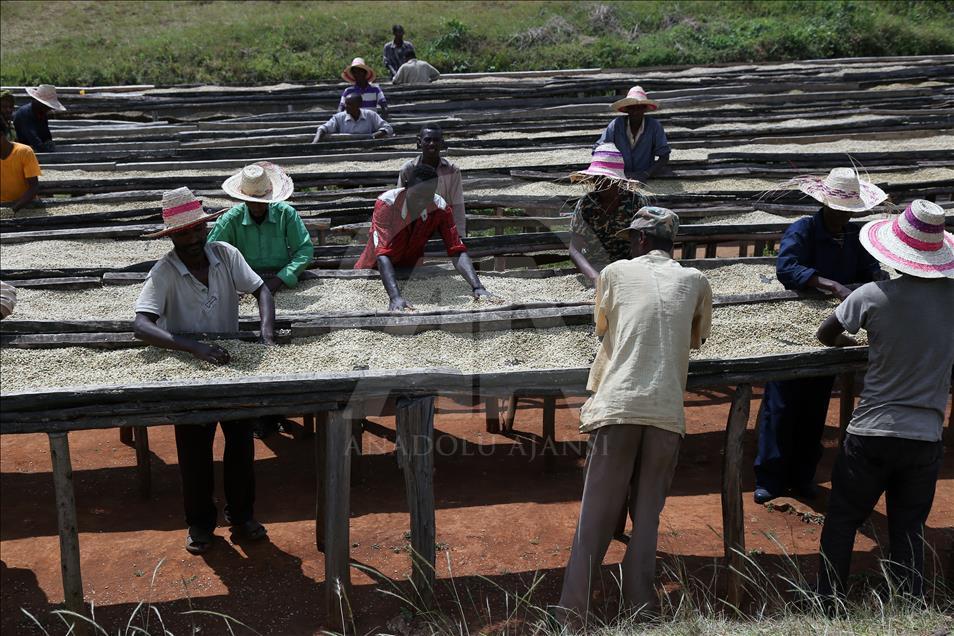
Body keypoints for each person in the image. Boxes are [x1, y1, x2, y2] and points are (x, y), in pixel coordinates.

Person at [558, 207, 712, 625]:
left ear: (641, 241)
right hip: (665, 412)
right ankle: (640, 612)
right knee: (647, 520)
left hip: (618, 404)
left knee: (595, 519)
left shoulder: (614, 274)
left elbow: (604, 326)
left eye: (631, 239)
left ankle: (572, 617)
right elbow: (697, 338)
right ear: (671, 243)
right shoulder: (697, 281)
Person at [814, 199, 954, 602]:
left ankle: (828, 602)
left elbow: (827, 332)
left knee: (842, 519)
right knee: (909, 527)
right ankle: (908, 603)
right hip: (925, 434)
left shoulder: (873, 295)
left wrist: (856, 341)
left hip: (872, 431)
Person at [134, 187, 276, 554]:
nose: (193, 239)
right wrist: (192, 346)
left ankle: (242, 516)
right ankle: (199, 523)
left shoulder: (225, 255)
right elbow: (142, 325)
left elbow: (261, 290)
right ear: (171, 237)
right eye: (183, 233)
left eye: (198, 230)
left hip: (231, 361)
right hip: (190, 366)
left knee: (241, 444)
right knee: (195, 451)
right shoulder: (165, 271)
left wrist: (265, 329)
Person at [753, 167, 889, 505]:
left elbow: (870, 269)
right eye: (840, 209)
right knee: (781, 404)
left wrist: (876, 277)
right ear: (826, 205)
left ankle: (802, 476)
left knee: (815, 405)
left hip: (834, 329)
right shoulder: (803, 229)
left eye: (849, 210)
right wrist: (831, 284)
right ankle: (770, 476)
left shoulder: (855, 236)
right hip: (793, 326)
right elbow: (786, 268)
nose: (844, 215)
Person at [355, 163, 492, 310]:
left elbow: (456, 249)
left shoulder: (440, 207)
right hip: (372, 272)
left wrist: (477, 287)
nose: (421, 202)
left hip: (410, 273)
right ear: (407, 186)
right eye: (417, 196)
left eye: (427, 197)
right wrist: (395, 297)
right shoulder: (387, 204)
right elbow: (382, 253)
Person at [210, 162, 314, 295]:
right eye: (252, 202)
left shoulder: (286, 214)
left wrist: (280, 278)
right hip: (243, 283)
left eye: (262, 202)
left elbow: (304, 250)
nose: (257, 207)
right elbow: (212, 252)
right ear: (244, 199)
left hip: (281, 279)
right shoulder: (230, 220)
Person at [567, 143, 649, 285]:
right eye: (597, 178)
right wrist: (595, 278)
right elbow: (575, 249)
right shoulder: (586, 204)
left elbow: (646, 242)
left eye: (606, 179)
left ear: (617, 181)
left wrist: (634, 272)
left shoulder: (635, 202)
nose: (600, 184)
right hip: (596, 266)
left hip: (631, 267)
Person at [396, 125, 465, 232]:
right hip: (414, 227)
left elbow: (458, 204)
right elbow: (400, 203)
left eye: (436, 140)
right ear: (419, 142)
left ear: (442, 143)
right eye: (428, 140)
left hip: (443, 226)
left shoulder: (452, 170)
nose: (432, 144)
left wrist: (459, 233)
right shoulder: (408, 170)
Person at [594, 86, 669, 181]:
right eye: (632, 108)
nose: (635, 112)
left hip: (645, 177)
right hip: (618, 177)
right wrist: (612, 170)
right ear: (627, 109)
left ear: (644, 109)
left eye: (639, 108)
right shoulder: (616, 125)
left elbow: (665, 156)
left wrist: (646, 174)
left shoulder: (654, 126)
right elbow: (599, 148)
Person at [313, 93, 393, 142]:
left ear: (359, 105)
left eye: (350, 104)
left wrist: (373, 136)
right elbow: (323, 128)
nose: (346, 107)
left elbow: (388, 128)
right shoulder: (339, 117)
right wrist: (315, 142)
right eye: (346, 104)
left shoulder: (370, 115)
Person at [0, 118, 42, 212]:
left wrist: (14, 209)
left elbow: (33, 187)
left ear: (2, 135)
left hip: (26, 205)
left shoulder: (24, 152)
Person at [13, 84, 65, 152]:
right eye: (47, 106)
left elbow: (46, 135)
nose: (49, 109)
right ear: (39, 102)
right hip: (23, 150)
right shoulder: (24, 114)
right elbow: (33, 138)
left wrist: (49, 144)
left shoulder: (41, 113)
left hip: (35, 148)